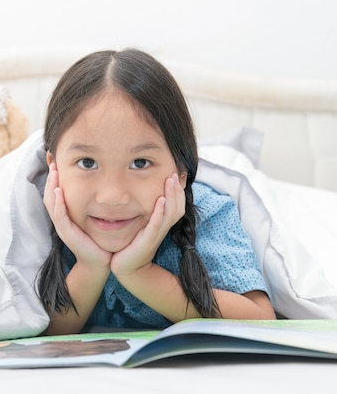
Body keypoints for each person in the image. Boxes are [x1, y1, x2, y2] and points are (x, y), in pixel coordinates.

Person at [36, 48, 276, 335]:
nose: (112, 196)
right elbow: (39, 334)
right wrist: (90, 264)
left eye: (140, 163)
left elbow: (262, 321)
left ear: (181, 172)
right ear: (53, 167)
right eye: (87, 162)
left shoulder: (208, 213)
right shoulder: (32, 216)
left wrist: (139, 272)